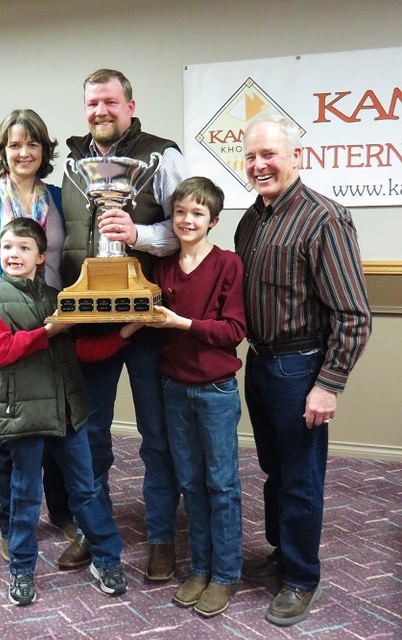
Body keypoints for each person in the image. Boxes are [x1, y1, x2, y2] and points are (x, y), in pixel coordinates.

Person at [234, 113, 372, 626]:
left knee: (301, 478)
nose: (259, 164)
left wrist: (328, 385)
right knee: (274, 470)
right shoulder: (252, 218)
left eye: (269, 154)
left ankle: (300, 578)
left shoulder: (324, 218)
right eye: (250, 156)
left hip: (301, 368)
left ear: (297, 156)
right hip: (261, 363)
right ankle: (283, 550)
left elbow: (354, 315)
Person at [59, 69, 191, 579]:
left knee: (156, 436)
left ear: (131, 106)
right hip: (88, 324)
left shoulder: (161, 155)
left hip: (145, 323)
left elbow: (184, 230)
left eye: (111, 102)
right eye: (93, 103)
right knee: (89, 436)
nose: (101, 111)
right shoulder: (72, 163)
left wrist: (136, 232)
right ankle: (95, 531)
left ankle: (160, 537)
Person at [0, 217, 137, 604]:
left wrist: (123, 334)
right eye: (7, 248)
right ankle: (21, 569)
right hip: (24, 416)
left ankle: (106, 558)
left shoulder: (57, 297)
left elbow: (81, 350)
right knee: (25, 495)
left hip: (68, 414)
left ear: (40, 256)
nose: (13, 254)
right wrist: (51, 329)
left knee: (87, 489)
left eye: (23, 248)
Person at [0, 109, 74, 561]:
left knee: (59, 424)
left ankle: (64, 514)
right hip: (7, 331)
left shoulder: (63, 199)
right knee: (13, 435)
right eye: (14, 144)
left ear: (45, 150)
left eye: (32, 143)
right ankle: (12, 526)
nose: (23, 152)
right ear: (2, 151)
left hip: (57, 327)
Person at [145, 177, 246, 617]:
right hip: (173, 388)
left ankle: (225, 574)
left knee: (221, 484)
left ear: (214, 221)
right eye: (181, 211)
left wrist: (182, 323)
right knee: (189, 482)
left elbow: (234, 332)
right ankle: (200, 567)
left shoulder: (228, 264)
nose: (187, 220)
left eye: (198, 213)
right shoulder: (163, 267)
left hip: (216, 391)